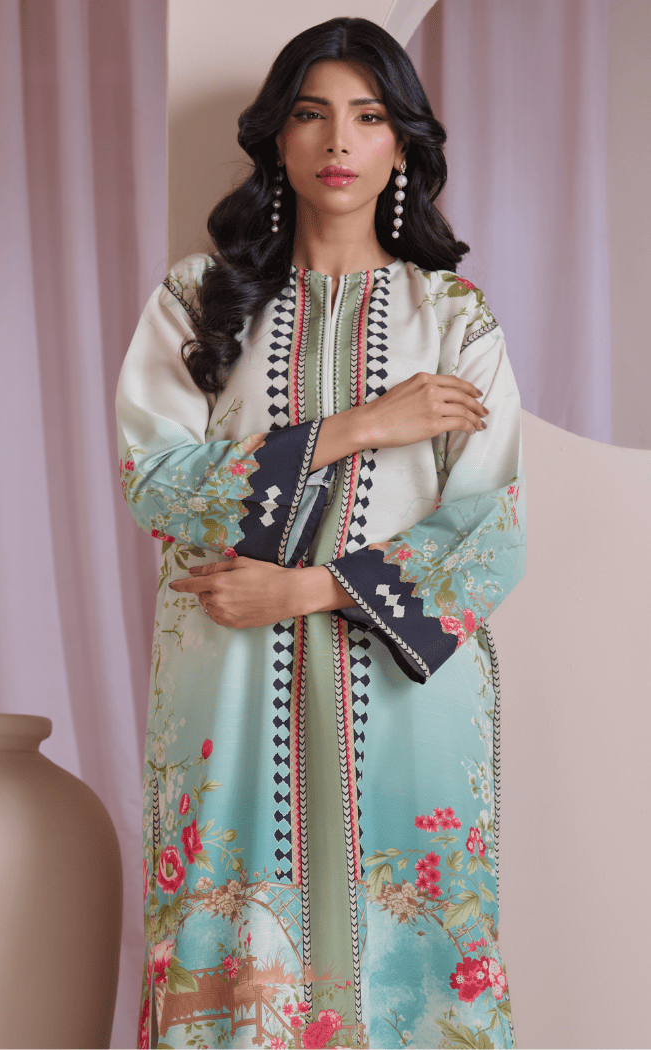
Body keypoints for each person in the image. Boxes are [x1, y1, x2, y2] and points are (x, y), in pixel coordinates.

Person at [117, 17, 525, 1050]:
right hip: (224, 680)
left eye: (367, 115)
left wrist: (303, 590)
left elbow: (488, 534)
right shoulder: (196, 303)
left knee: (412, 954)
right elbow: (157, 481)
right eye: (309, 115)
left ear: (401, 145)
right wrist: (363, 428)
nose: (337, 141)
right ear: (276, 141)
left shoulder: (456, 321)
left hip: (404, 690)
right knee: (232, 958)